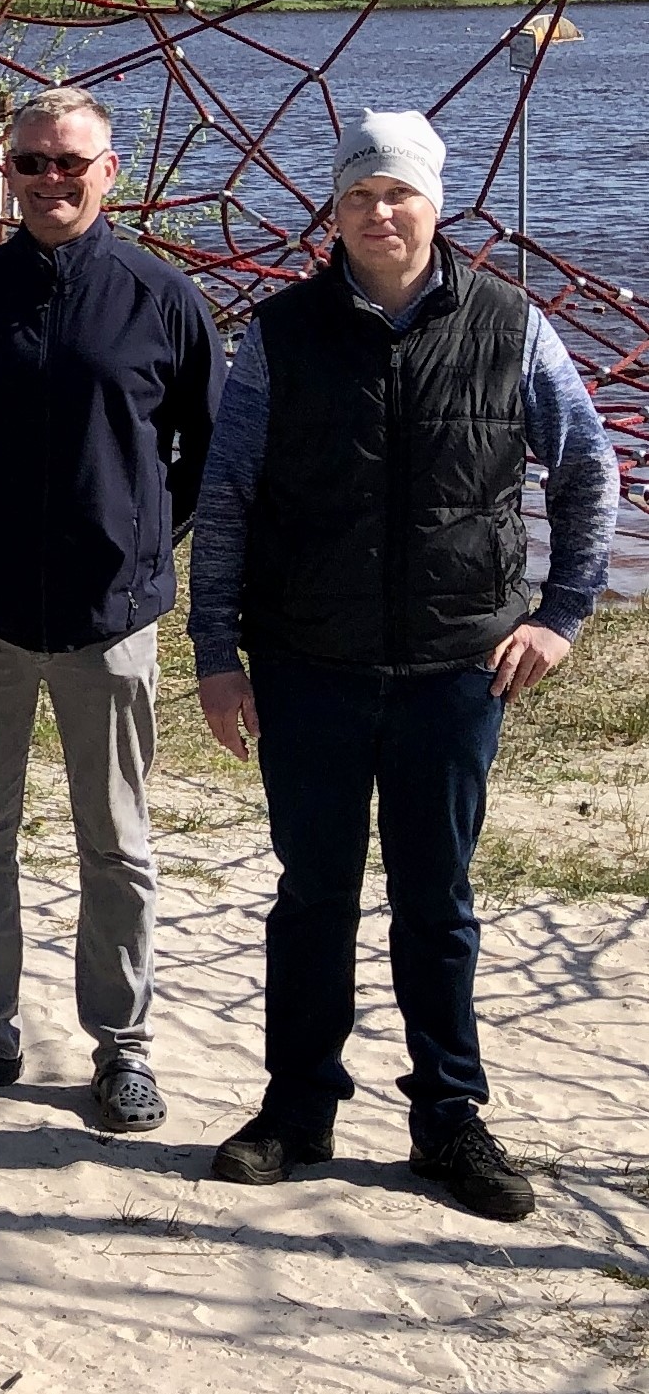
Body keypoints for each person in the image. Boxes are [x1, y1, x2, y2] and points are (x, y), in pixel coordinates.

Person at [190, 111, 617, 1223]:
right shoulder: (278, 334)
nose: (378, 214)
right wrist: (216, 656)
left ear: (437, 202)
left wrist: (561, 614)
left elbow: (587, 474)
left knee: (439, 903)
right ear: (331, 210)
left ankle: (448, 1118)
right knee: (311, 896)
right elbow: (226, 497)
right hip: (308, 664)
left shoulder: (510, 325)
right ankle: (295, 1108)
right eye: (356, 196)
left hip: (453, 670)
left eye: (398, 194)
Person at [0, 89, 221, 1133]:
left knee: (117, 839)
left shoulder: (162, 297)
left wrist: (143, 543)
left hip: (112, 613)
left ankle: (123, 1042)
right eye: (30, 164)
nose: (50, 181)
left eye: (70, 163)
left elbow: (203, 453)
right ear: (4, 172)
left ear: (110, 170)